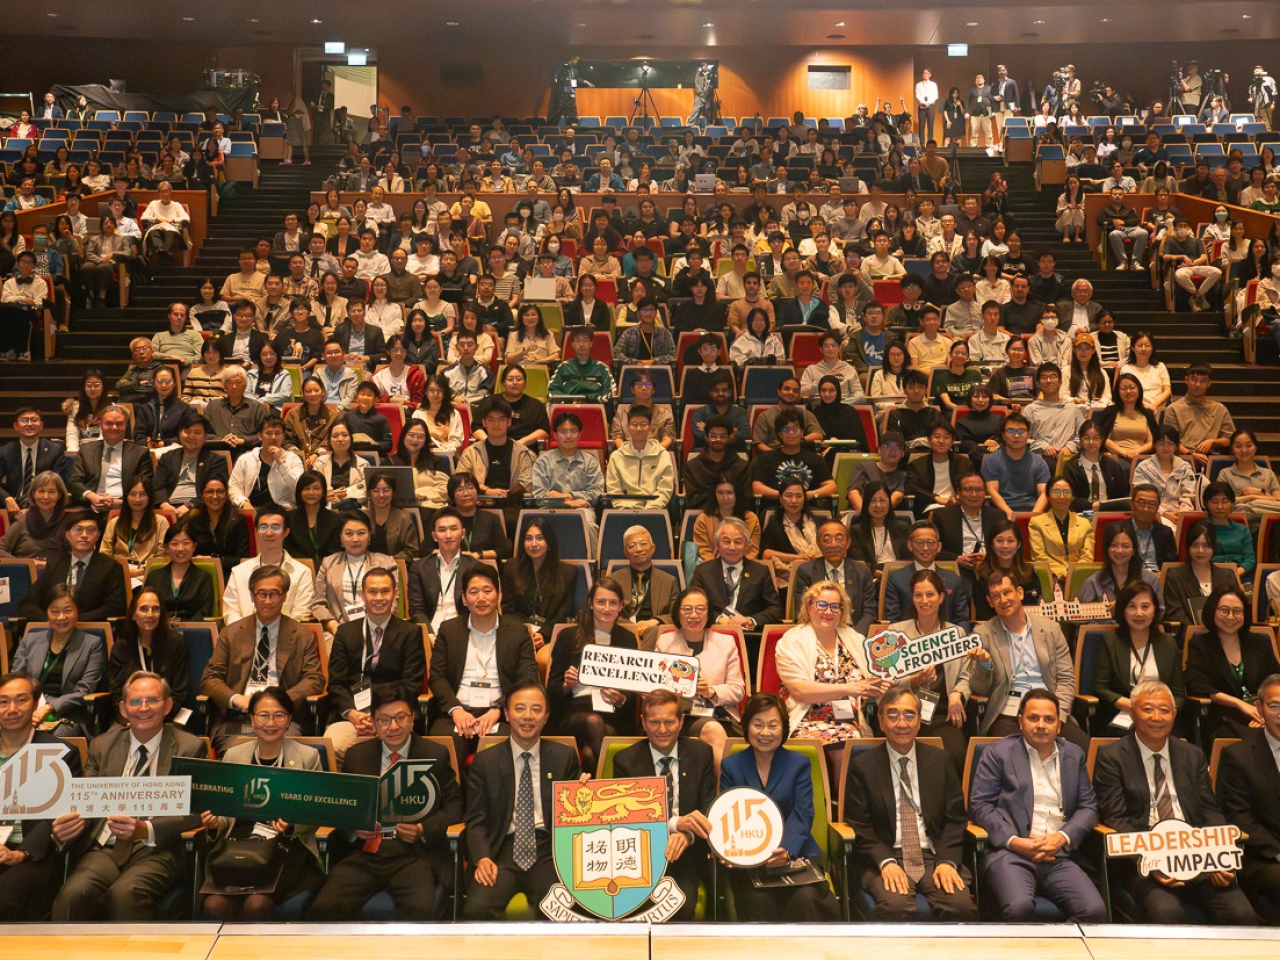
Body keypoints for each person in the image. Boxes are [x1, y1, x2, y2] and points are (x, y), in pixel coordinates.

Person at [1094, 680, 1258, 924]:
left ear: (1174, 714)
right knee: (1167, 914)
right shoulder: (1112, 757)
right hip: (1144, 861)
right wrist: (1152, 862)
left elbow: (1209, 811)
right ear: (1132, 712)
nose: (1157, 717)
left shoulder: (1192, 755)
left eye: (1164, 710)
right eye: (1148, 709)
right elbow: (1117, 819)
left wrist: (1219, 855)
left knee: (1241, 914)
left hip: (1195, 856)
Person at [309, 685, 464, 921]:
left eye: (400, 717)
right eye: (384, 720)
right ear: (373, 722)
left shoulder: (434, 754)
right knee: (324, 907)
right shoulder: (357, 755)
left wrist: (424, 829)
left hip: (413, 855)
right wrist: (353, 829)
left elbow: (455, 806)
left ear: (413, 717)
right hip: (366, 853)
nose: (393, 727)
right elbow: (342, 807)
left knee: (420, 911)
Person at [967, 688, 1107, 922]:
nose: (1041, 725)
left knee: (1094, 912)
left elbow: (1089, 806)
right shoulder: (997, 753)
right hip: (1011, 854)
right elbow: (980, 806)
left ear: (1059, 725)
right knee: (1019, 907)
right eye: (1033, 718)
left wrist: (1062, 836)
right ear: (1020, 722)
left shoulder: (1073, 755)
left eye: (1048, 719)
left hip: (1059, 856)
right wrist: (1015, 842)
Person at [843, 681, 979, 920]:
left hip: (932, 856)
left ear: (919, 720)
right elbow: (860, 826)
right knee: (895, 908)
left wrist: (947, 860)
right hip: (886, 857)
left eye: (909, 715)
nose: (902, 723)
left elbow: (956, 818)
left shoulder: (940, 761)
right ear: (882, 722)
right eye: (893, 715)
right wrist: (885, 861)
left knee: (960, 907)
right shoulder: (863, 766)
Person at [459, 681, 580, 919]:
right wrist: (482, 857)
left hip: (550, 854)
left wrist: (583, 799)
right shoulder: (486, 761)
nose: (528, 716)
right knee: (476, 910)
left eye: (536, 709)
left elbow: (574, 820)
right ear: (506, 713)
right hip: (501, 852)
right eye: (520, 708)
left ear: (546, 716)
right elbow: (475, 818)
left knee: (565, 911)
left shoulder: (564, 758)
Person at [719, 692, 841, 921]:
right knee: (758, 901)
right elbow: (728, 813)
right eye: (758, 724)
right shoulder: (731, 765)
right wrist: (728, 848)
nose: (765, 732)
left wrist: (786, 849)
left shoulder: (798, 764)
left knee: (805, 898)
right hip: (749, 860)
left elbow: (803, 813)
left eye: (773, 725)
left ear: (783, 728)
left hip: (795, 854)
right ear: (746, 727)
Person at [609, 687, 717, 919]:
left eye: (669, 722)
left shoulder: (701, 754)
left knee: (682, 905)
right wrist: (675, 825)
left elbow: (708, 808)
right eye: (654, 722)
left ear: (681, 721)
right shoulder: (625, 761)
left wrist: (687, 836)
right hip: (640, 853)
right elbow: (626, 818)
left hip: (687, 853)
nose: (662, 729)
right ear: (643, 722)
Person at [954, 573, 1089, 750]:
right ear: (989, 601)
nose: (1003, 600)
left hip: (1048, 709)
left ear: (1020, 592)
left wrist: (1059, 715)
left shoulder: (1050, 629)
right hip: (1008, 712)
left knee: (1086, 750)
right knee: (1004, 757)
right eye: (996, 596)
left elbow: (1066, 679)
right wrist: (984, 664)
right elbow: (979, 689)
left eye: (1007, 592)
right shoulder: (982, 634)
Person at [0, 670, 84, 919]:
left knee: (7, 894)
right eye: (3, 701)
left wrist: (21, 852)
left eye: (21, 700)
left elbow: (61, 813)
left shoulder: (60, 752)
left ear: (36, 704)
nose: (11, 709)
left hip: (34, 854)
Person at [323, 565, 424, 763]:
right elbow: (336, 683)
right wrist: (353, 714)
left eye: (385, 591)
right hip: (352, 717)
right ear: (362, 595)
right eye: (372, 591)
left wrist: (382, 717)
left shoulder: (410, 633)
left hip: (393, 717)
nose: (379, 597)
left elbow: (412, 683)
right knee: (333, 745)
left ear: (395, 593)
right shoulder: (345, 632)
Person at [776, 580, 886, 746]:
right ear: (808, 607)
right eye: (822, 605)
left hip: (851, 721)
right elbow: (799, 690)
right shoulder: (792, 640)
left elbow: (875, 677)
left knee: (851, 735)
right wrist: (850, 688)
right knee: (844, 738)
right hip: (805, 720)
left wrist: (909, 680)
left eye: (835, 606)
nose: (828, 611)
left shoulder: (854, 638)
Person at [548, 578, 637, 771]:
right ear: (590, 603)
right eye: (601, 602)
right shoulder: (569, 636)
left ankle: (594, 776)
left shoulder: (627, 639)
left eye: (613, 603)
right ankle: (612, 779)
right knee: (593, 722)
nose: (607, 608)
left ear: (621, 606)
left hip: (611, 714)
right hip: (574, 712)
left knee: (589, 752)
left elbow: (632, 694)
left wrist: (621, 699)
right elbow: (551, 689)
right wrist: (566, 685)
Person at [1215, 672, 1280, 923]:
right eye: (1275, 706)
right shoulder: (1238, 756)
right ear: (1260, 708)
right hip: (1263, 856)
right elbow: (1239, 817)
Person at [1185, 586, 1280, 739]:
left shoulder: (1260, 642)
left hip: (1261, 712)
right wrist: (1239, 704)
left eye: (1237, 611)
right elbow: (1197, 684)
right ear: (1212, 611)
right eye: (1224, 610)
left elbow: (1275, 680)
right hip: (1223, 715)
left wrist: (1263, 712)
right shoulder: (1201, 643)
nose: (1230, 617)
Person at [10, 585, 105, 737]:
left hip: (66, 714)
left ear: (77, 612)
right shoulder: (31, 640)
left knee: (46, 741)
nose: (61, 617)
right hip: (28, 710)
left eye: (67, 610)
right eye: (55, 611)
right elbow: (16, 679)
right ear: (47, 613)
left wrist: (49, 707)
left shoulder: (91, 644)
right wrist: (28, 707)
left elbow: (85, 690)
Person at [1091, 581, 1185, 732]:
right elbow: (1101, 688)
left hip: (1161, 716)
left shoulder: (1168, 643)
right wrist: (1135, 706)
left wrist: (1164, 711)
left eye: (1145, 607)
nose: (1139, 613)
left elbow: (1178, 693)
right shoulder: (1111, 641)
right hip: (1125, 713)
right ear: (1123, 610)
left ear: (1154, 611)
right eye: (1132, 606)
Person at [21, 515, 128, 622]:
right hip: (52, 628)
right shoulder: (55, 564)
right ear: (67, 535)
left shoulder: (110, 567)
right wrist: (52, 620)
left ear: (98, 535)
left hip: (90, 630)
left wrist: (73, 621)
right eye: (78, 529)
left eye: (90, 530)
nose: (84, 535)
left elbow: (116, 607)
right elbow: (29, 603)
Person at [690, 517, 783, 632]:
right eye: (726, 541)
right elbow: (693, 604)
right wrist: (718, 618)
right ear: (717, 545)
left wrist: (750, 620)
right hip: (712, 635)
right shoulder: (703, 571)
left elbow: (776, 609)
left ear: (747, 545)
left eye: (738, 542)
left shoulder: (760, 572)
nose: (732, 547)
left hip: (748, 637)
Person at [500, 518, 577, 651]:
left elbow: (564, 613)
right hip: (519, 633)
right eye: (528, 539)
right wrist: (526, 632)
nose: (533, 544)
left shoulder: (568, 573)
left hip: (551, 635)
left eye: (540, 538)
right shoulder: (511, 568)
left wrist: (543, 634)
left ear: (549, 542)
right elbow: (508, 610)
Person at [982, 413, 1050, 517]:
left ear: (1028, 435)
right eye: (1010, 431)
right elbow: (992, 491)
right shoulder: (992, 460)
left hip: (1032, 510)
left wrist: (1032, 516)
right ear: (1004, 435)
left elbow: (1044, 493)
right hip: (1001, 512)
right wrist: (1010, 514)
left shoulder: (1039, 462)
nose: (1016, 435)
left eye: (1021, 431)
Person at [1028, 477, 1094, 584]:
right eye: (1056, 492)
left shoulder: (1084, 523)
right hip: (1050, 577)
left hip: (1079, 577)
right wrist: (1062, 573)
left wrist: (1074, 573)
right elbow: (1039, 556)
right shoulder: (1036, 522)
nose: (1062, 497)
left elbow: (1087, 556)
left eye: (1067, 492)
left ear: (1072, 496)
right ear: (1048, 496)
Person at [0, 470, 74, 562]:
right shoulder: (22, 521)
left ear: (59, 495)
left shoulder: (70, 522)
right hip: (28, 574)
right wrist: (25, 564)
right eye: (41, 491)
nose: (46, 496)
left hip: (60, 574)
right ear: (33, 494)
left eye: (51, 492)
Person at [1203, 482, 1256, 583]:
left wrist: (1236, 572)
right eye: (1214, 502)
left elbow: (1250, 559)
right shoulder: (1201, 529)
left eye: (1225, 501)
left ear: (1233, 503)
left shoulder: (1242, 529)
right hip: (1208, 577)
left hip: (1238, 576)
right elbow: (1196, 558)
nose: (1220, 507)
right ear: (1206, 503)